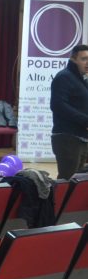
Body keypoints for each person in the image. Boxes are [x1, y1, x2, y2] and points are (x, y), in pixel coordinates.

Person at [50, 44, 88, 179]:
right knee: (66, 181)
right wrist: (85, 121)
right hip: (67, 138)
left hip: (81, 138)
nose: (87, 63)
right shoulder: (64, 77)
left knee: (77, 182)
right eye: (84, 59)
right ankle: (57, 201)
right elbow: (58, 105)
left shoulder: (83, 80)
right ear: (73, 59)